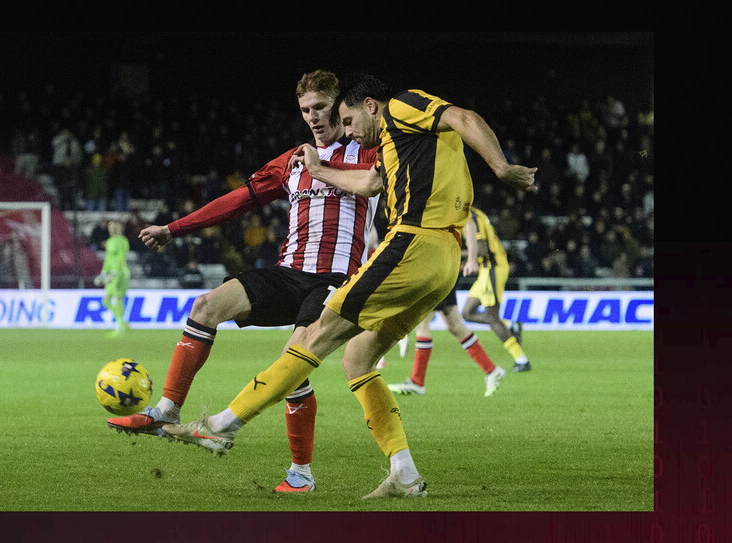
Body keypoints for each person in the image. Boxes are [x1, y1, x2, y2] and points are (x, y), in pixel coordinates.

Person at [162, 73, 537, 499]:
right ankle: (405, 473)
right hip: (442, 263)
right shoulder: (395, 149)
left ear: (370, 106)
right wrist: (320, 169)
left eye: (348, 119)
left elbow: (466, 117)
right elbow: (369, 183)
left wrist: (502, 167)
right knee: (358, 360)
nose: (349, 130)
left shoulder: (402, 105)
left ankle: (221, 425)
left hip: (414, 240)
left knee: (320, 331)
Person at [106, 70, 380, 493]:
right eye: (306, 110)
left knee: (294, 363)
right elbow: (235, 203)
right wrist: (173, 229)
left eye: (321, 107)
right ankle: (166, 410)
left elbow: (388, 186)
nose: (313, 116)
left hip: (335, 277)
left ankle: (301, 474)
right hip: (288, 272)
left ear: (339, 105)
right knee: (205, 307)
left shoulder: (369, 152)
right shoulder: (290, 162)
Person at [387, 212, 507, 397]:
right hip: (442, 264)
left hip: (438, 265)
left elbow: (468, 221)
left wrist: (472, 258)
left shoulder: (441, 193)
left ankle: (417, 382)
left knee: (423, 322)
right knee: (454, 324)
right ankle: (491, 370)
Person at [460, 206, 532, 372]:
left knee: (493, 317)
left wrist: (459, 254)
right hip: (487, 269)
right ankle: (510, 324)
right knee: (467, 313)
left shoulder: (473, 218)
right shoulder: (476, 214)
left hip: (492, 268)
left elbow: (481, 249)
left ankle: (521, 359)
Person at [95, 221, 130, 337]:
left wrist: (116, 271)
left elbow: (121, 257)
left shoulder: (123, 241)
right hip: (111, 274)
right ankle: (122, 321)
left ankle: (120, 326)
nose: (112, 229)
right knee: (106, 301)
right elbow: (108, 259)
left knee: (118, 298)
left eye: (113, 227)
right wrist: (104, 272)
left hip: (120, 273)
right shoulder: (109, 242)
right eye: (110, 227)